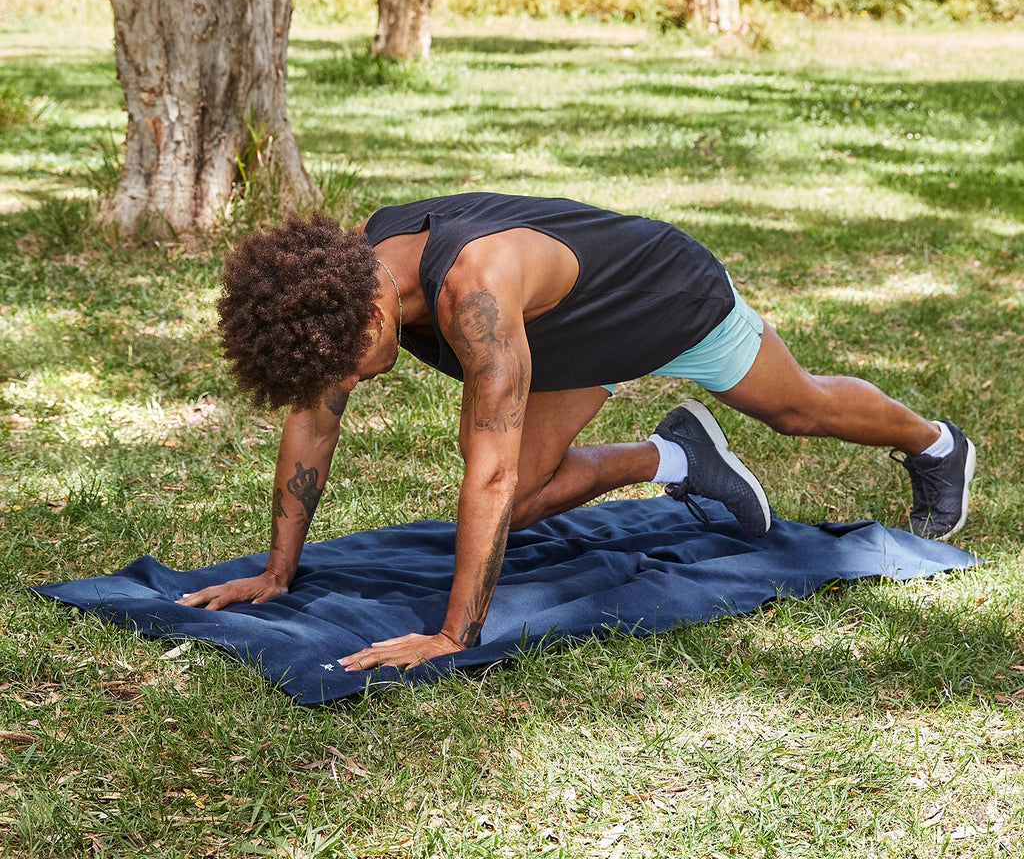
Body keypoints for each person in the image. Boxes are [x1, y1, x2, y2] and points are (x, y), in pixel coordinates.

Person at [178, 193, 976, 671]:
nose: (345, 384)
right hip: (557, 337)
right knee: (520, 502)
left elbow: (482, 472)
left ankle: (933, 443)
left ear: (377, 308)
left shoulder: (473, 292)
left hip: (656, 294)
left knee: (798, 408)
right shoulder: (348, 283)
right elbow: (313, 426)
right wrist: (278, 573)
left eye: (348, 365)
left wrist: (454, 636)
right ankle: (678, 457)